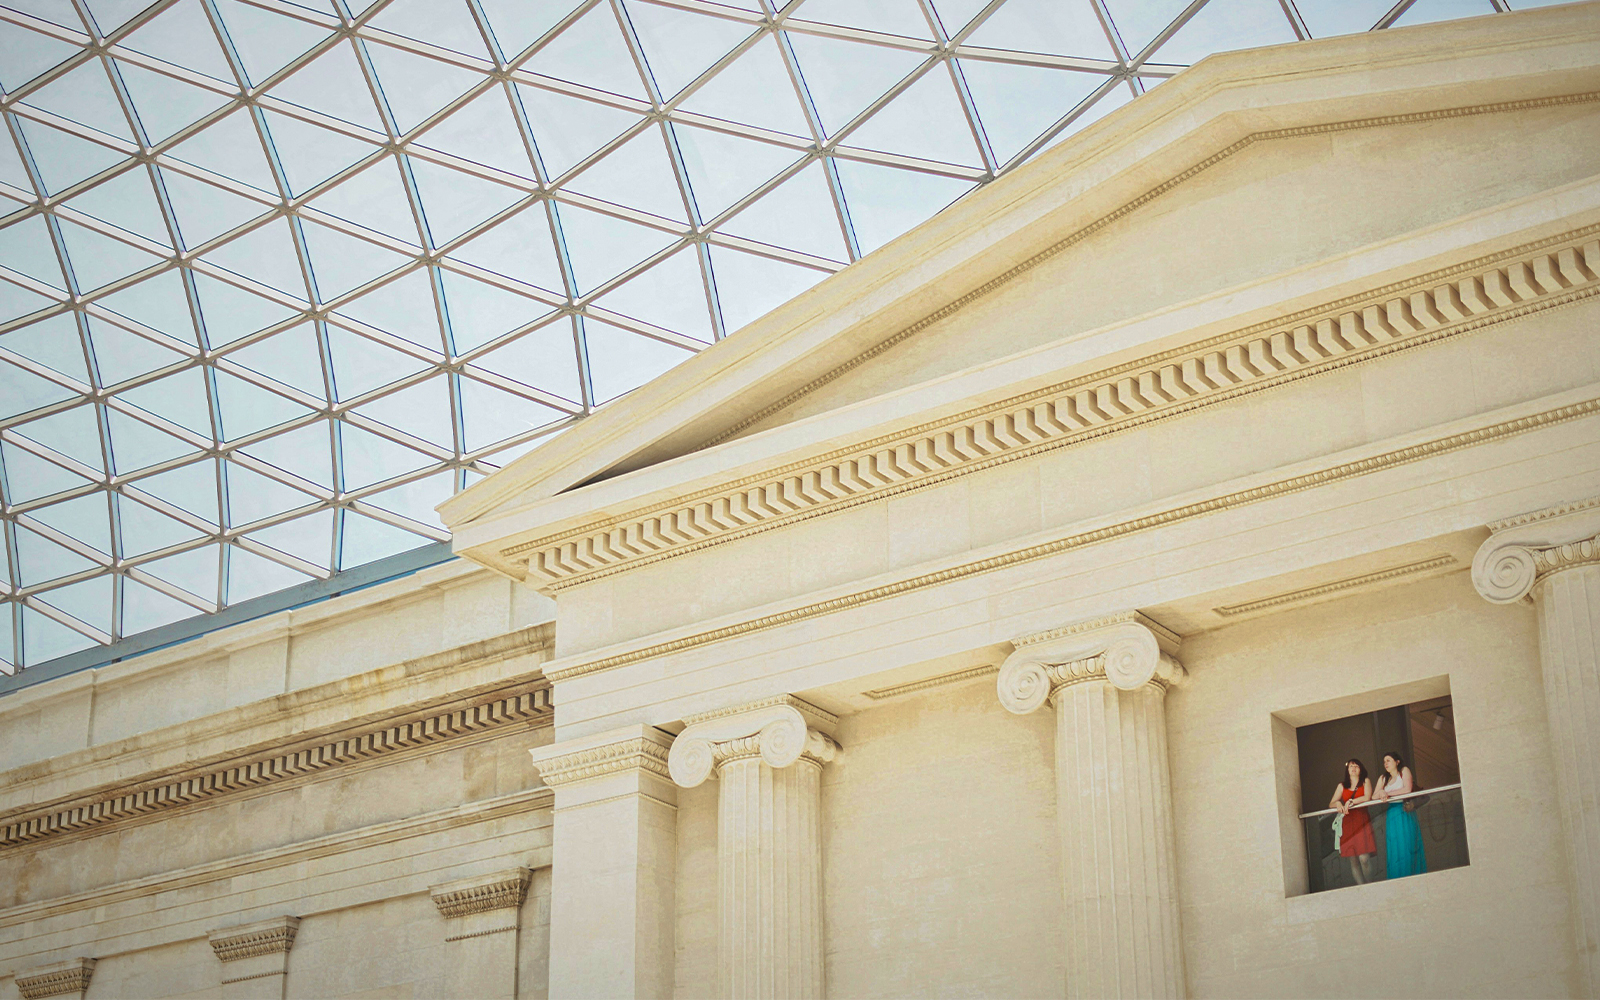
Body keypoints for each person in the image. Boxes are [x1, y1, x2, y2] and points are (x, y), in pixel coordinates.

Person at [1373, 751, 1427, 878]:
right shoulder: (1383, 778)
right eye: (1384, 761)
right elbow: (1373, 796)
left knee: (1407, 845)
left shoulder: (1404, 771)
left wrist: (1388, 794)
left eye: (1388, 760)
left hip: (1404, 811)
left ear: (1397, 762)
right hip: (1392, 813)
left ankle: (1412, 875)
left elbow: (1407, 789)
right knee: (1394, 847)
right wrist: (1381, 791)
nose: (1385, 763)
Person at [1329, 758, 1376, 883]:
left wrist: (1352, 801)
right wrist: (1338, 803)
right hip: (1348, 822)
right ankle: (1361, 888)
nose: (1353, 768)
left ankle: (1371, 885)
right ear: (1347, 770)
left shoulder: (1365, 781)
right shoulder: (1342, 786)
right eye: (1351, 766)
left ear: (1361, 769)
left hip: (1362, 821)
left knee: (1364, 858)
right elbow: (1331, 803)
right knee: (1353, 860)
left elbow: (1367, 797)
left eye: (1356, 766)